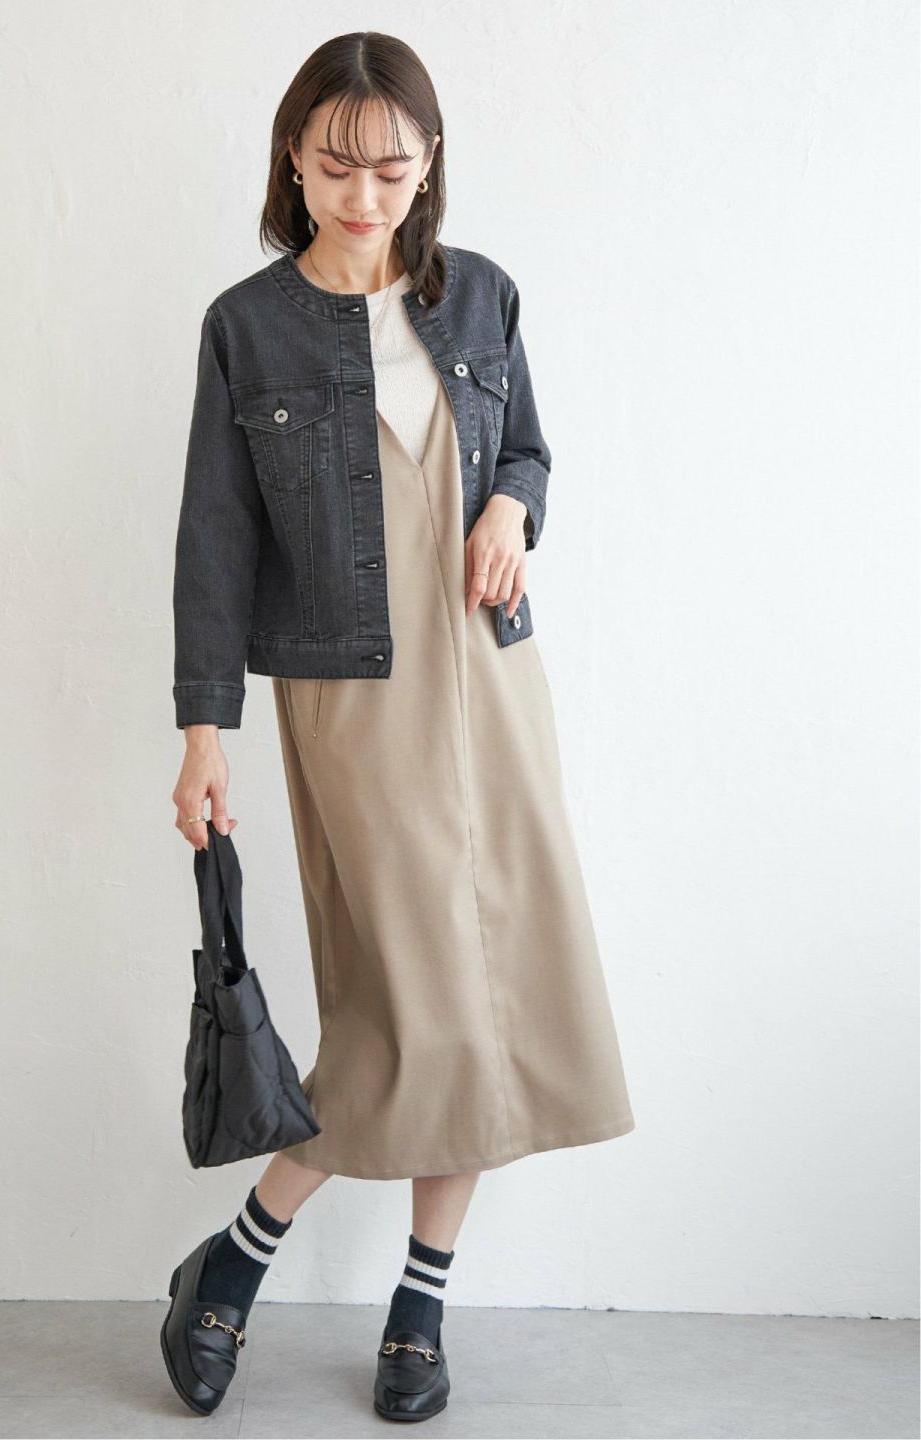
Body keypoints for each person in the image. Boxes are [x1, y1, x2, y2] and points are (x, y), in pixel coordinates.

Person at [162, 30, 635, 1424]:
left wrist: (513, 508)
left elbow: (528, 448)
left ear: (429, 165)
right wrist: (203, 733)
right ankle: (238, 1259)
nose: (363, 194)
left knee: (490, 1004)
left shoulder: (479, 296)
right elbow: (213, 544)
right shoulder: (247, 328)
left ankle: (417, 1304)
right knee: (406, 1010)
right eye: (335, 165)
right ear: (293, 162)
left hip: (490, 682)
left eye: (391, 166)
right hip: (351, 695)